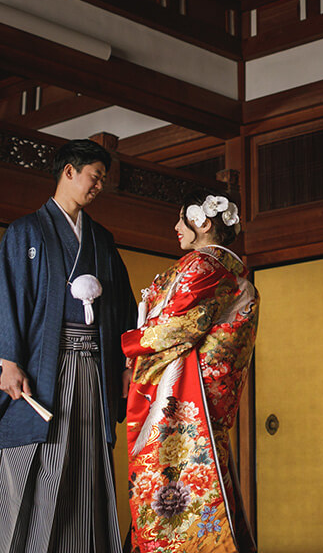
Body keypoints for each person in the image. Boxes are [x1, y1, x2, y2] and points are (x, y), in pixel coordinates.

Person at [0, 139, 138, 553]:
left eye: (102, 179)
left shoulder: (101, 240)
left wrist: (124, 366)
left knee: (86, 468)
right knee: (32, 467)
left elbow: (120, 308)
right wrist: (7, 362)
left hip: (93, 372)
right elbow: (6, 299)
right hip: (42, 369)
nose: (99, 186)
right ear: (69, 171)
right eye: (95, 177)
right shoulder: (26, 232)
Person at [122, 191, 258, 553]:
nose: (176, 227)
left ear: (203, 223)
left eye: (183, 220)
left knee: (173, 472)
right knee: (208, 473)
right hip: (209, 393)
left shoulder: (201, 266)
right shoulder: (233, 272)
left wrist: (130, 343)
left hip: (184, 387)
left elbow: (176, 326)